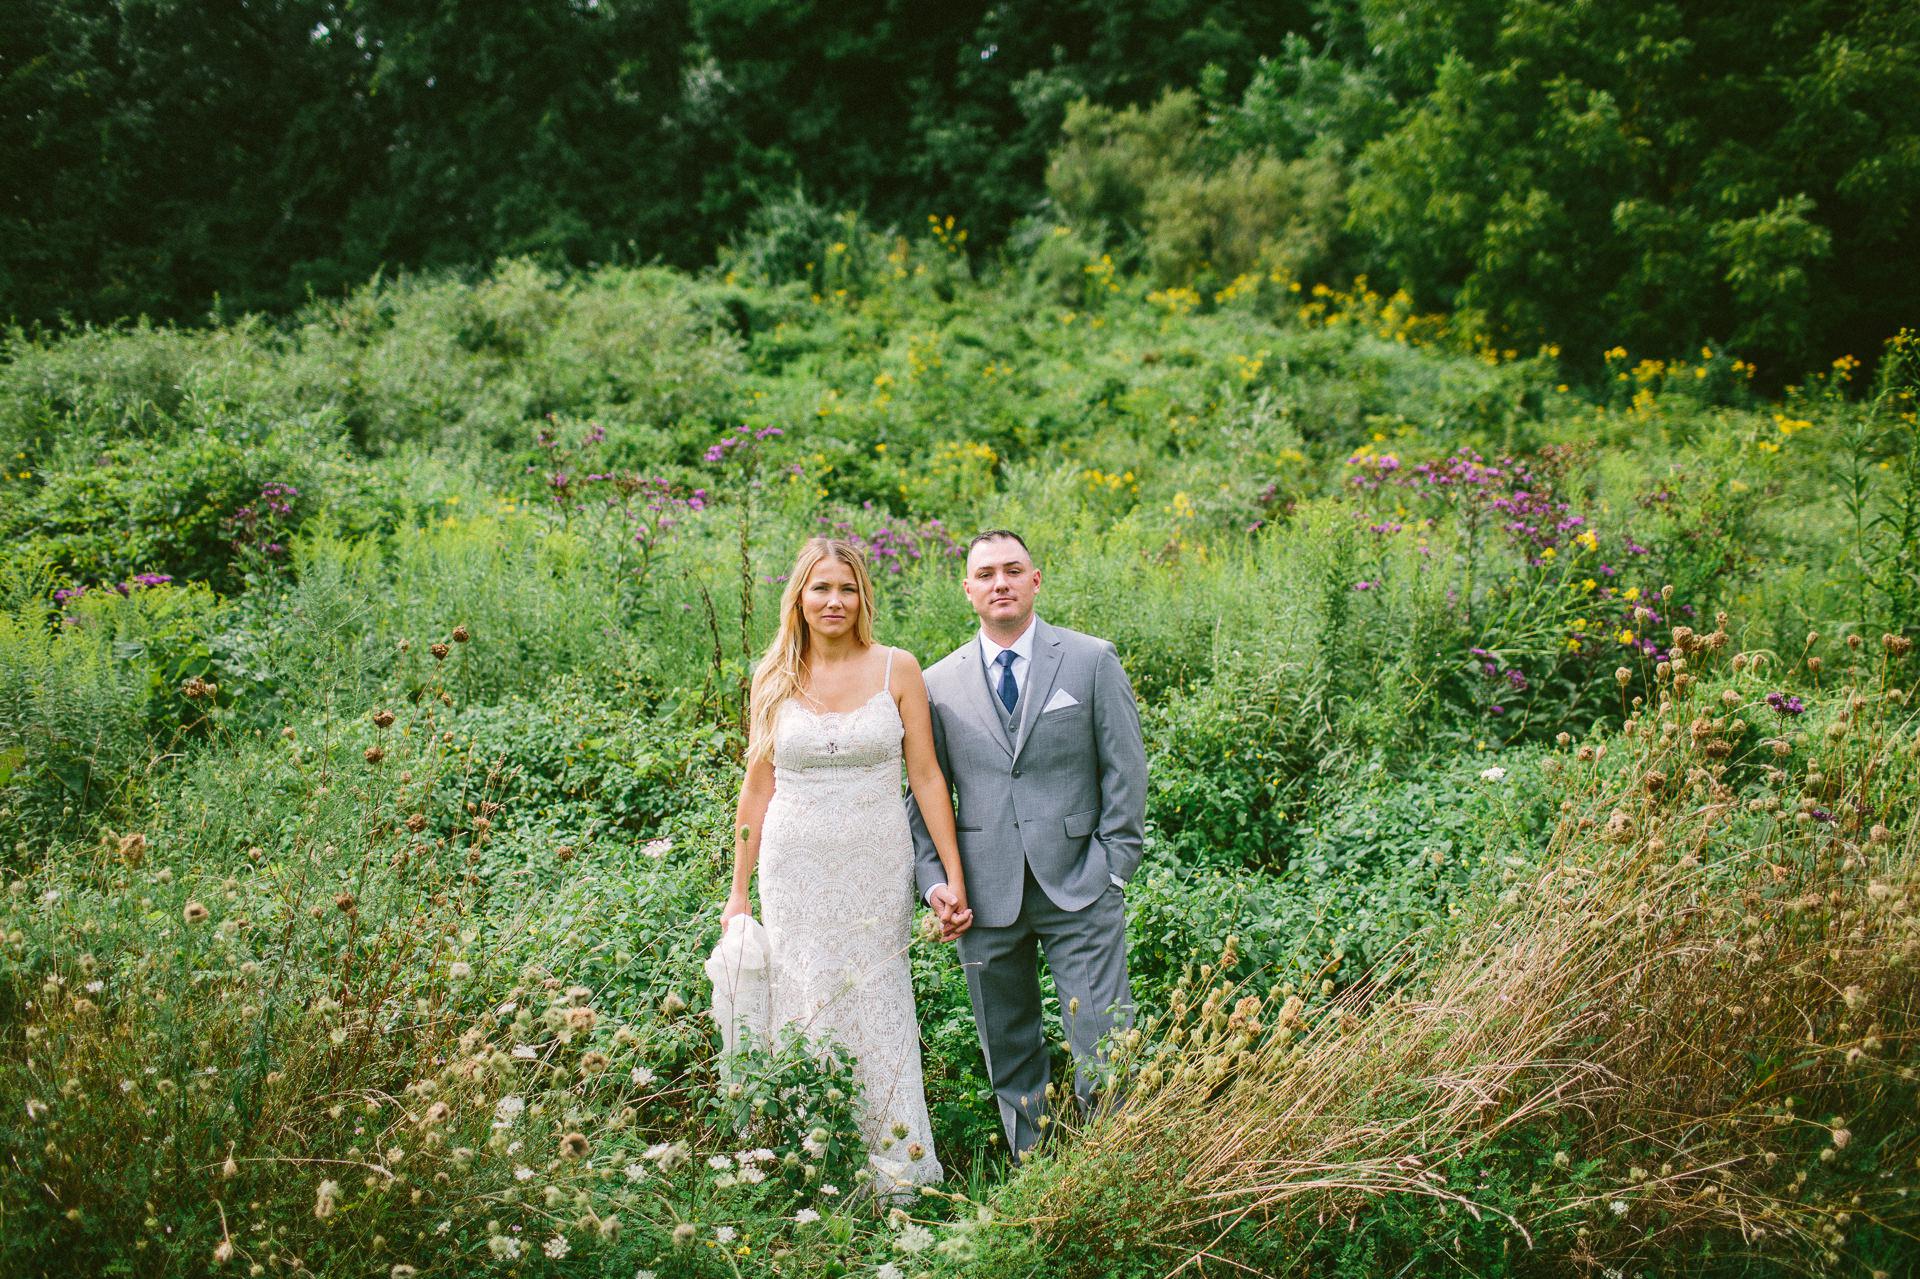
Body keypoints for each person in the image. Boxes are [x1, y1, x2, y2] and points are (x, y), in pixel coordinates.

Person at [722, 537, 971, 1191]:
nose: (834, 600)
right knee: (802, 995)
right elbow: (756, 787)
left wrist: (952, 874)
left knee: (875, 996)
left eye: (847, 588)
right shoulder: (773, 674)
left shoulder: (898, 668)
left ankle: (896, 1167)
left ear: (863, 597)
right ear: (799, 597)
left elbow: (925, 776)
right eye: (820, 587)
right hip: (792, 865)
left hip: (874, 865)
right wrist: (737, 893)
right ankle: (810, 1156)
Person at [907, 529, 1147, 1159]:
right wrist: (936, 883)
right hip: (982, 898)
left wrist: (1113, 866)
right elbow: (924, 796)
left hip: (1080, 887)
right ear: (967, 590)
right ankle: (1033, 1173)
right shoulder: (936, 682)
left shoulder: (1091, 660)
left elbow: (1126, 769)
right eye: (985, 574)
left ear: (1035, 579)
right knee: (1008, 1048)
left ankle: (1112, 1171)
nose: (1000, 583)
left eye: (1013, 570)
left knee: (1104, 1041)